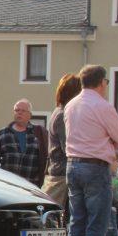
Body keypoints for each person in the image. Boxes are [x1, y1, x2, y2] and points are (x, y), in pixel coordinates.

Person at [65, 65, 118, 236]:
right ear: (102, 82)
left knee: (77, 222)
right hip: (95, 167)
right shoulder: (102, 106)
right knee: (97, 224)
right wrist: (111, 141)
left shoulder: (71, 105)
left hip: (73, 165)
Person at [42, 74, 82, 206]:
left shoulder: (60, 111)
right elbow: (68, 147)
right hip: (61, 175)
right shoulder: (62, 115)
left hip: (60, 172)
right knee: (53, 211)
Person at [0, 99, 48, 185]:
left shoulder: (38, 133)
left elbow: (46, 158)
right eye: (17, 110)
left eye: (23, 111)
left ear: (30, 115)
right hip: (8, 185)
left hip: (31, 185)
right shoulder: (3, 134)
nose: (19, 113)